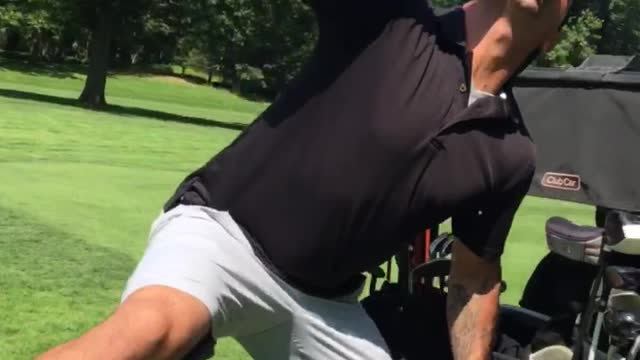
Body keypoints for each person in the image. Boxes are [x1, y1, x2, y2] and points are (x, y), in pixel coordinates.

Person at [38, 0, 572, 358]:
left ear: (552, 39)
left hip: (323, 305)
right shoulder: (393, 19)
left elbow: (473, 280)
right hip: (223, 237)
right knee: (151, 333)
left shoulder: (509, 152)